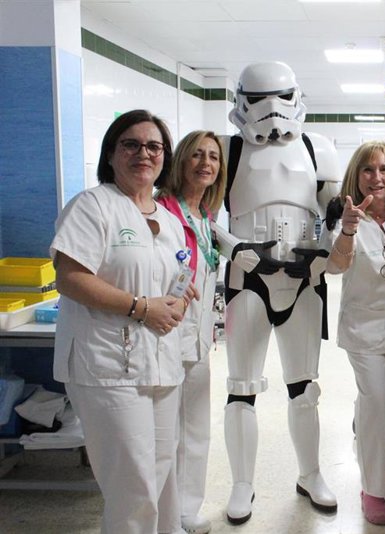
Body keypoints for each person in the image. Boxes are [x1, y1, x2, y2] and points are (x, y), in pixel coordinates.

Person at [209, 61, 341, 524]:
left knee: (305, 388)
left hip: (304, 280)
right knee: (241, 388)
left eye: (281, 97)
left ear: (296, 96)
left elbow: (336, 212)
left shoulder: (317, 148)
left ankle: (310, 473)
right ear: (241, 100)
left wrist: (325, 250)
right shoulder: (227, 149)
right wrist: (236, 249)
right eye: (259, 99)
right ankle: (242, 485)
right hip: (247, 281)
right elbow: (199, 217)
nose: (271, 109)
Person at [50, 109, 192, 533]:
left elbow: (176, 280)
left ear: (165, 157)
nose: (143, 154)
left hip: (161, 364)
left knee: (162, 477)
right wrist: (141, 307)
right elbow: (70, 278)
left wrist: (178, 302)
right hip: (107, 366)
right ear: (111, 153)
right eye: (131, 144)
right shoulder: (93, 206)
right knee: (132, 489)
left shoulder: (169, 220)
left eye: (154, 146)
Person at [321, 141, 385, 526]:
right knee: (375, 399)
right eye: (368, 169)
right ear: (355, 175)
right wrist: (348, 230)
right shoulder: (344, 214)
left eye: (384, 169)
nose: (376, 178)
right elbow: (334, 266)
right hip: (364, 327)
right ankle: (372, 489)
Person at [155, 130, 227, 534]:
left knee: (197, 429)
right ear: (181, 160)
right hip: (166, 337)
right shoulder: (163, 211)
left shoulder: (205, 217)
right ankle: (166, 516)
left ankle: (187, 509)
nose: (206, 163)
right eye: (197, 155)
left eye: (213, 157)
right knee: (166, 434)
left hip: (198, 340)